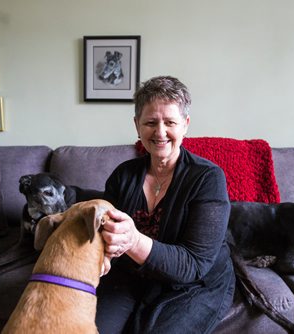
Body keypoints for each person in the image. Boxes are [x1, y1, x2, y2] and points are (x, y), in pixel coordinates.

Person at [96, 76, 235, 334]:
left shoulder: (208, 178)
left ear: (185, 125)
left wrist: (133, 241)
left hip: (194, 284)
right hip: (132, 274)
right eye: (150, 122)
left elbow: (193, 265)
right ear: (137, 125)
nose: (160, 132)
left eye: (170, 122)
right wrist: (103, 253)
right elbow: (105, 236)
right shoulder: (122, 175)